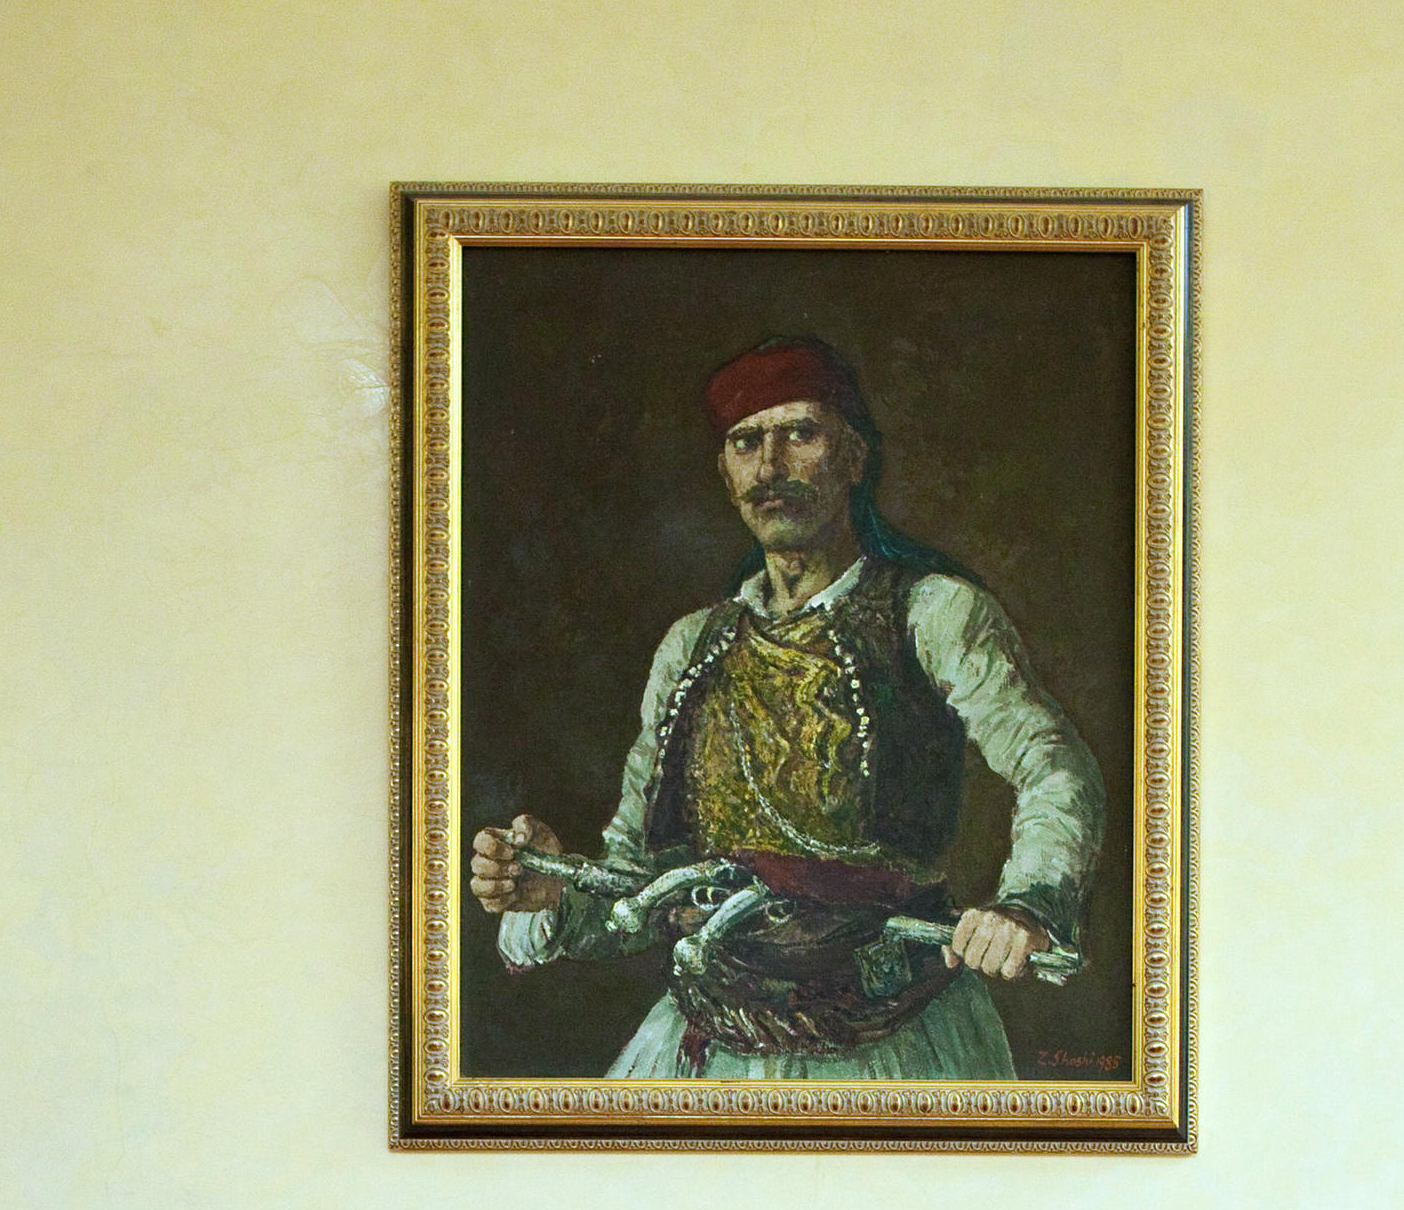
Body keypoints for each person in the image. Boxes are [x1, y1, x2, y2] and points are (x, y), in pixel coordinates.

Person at [468, 332, 1104, 1078]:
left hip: (897, 1044)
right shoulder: (691, 645)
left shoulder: (934, 615)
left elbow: (1053, 766)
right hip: (707, 1046)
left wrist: (1026, 904)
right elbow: (637, 877)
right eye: (745, 443)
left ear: (854, 459)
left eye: (800, 434)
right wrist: (556, 889)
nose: (770, 468)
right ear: (725, 472)